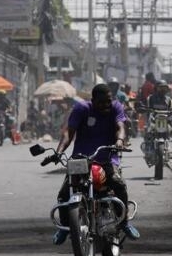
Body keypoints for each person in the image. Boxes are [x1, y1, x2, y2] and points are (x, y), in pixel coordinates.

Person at [52, 83, 139, 245]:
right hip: (80, 158)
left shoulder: (116, 107)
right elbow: (68, 132)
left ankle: (124, 222)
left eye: (108, 101)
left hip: (107, 157)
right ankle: (64, 227)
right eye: (101, 102)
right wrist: (59, 151)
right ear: (93, 100)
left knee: (118, 184)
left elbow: (121, 127)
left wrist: (120, 141)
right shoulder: (81, 109)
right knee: (64, 193)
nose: (106, 105)